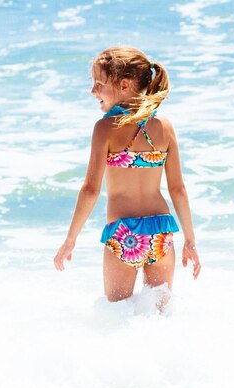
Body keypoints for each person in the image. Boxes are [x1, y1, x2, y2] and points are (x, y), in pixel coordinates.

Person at [54, 46, 201, 305]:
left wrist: (70, 239)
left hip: (124, 235)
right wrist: (190, 239)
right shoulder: (165, 127)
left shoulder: (105, 129)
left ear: (123, 85)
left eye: (99, 83)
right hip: (161, 233)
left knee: (117, 317)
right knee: (160, 317)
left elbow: (90, 189)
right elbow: (178, 189)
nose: (93, 91)